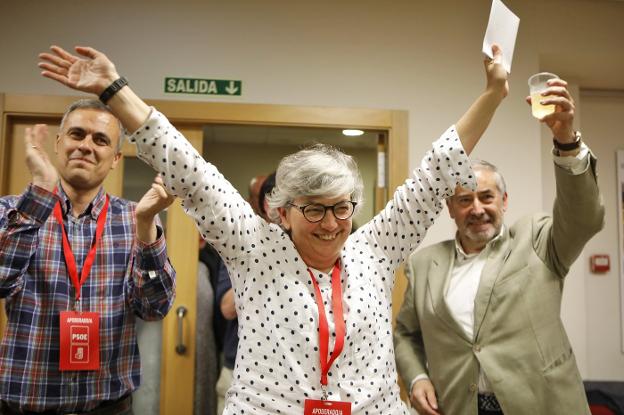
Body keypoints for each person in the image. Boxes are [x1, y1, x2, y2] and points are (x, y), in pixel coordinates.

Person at [38, 43, 508, 414]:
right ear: (282, 213)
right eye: (314, 210)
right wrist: (115, 91)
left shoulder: (375, 249)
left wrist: (491, 95)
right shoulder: (255, 248)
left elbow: (436, 173)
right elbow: (188, 169)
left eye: (342, 208)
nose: (331, 224)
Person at [394, 79, 605, 415]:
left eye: (486, 196)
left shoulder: (537, 239)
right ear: (450, 208)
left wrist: (566, 141)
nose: (476, 209)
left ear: (504, 200)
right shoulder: (423, 265)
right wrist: (417, 376)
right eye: (464, 200)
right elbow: (405, 333)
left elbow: (585, 219)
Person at [0, 99, 177, 414]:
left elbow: (154, 307)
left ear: (115, 159)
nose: (85, 146)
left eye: (100, 140)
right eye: (76, 134)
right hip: (26, 405)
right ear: (58, 143)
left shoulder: (135, 218)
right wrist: (40, 189)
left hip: (108, 406)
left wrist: (146, 228)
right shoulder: (13, 211)